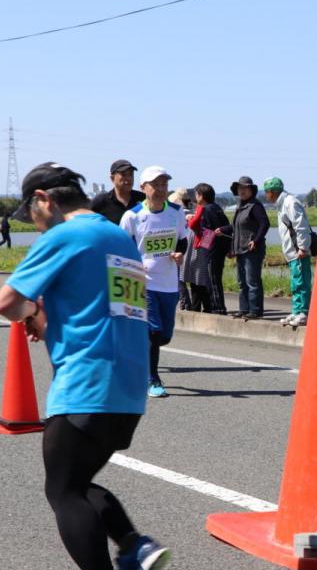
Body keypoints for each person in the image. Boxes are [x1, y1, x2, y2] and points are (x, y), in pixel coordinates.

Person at [0, 162, 170, 570]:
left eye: (31, 211)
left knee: (63, 489)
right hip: (128, 384)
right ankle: (132, 547)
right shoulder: (115, 236)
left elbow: (6, 302)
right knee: (80, 477)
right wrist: (49, 320)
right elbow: (109, 308)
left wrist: (31, 312)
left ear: (45, 200)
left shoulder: (63, 237)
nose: (34, 222)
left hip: (86, 382)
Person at [120, 166, 188, 398]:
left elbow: (183, 239)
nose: (160, 189)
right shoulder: (132, 216)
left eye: (164, 184)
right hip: (144, 283)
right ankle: (153, 380)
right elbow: (122, 249)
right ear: (143, 188)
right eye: (155, 185)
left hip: (169, 283)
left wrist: (179, 254)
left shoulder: (176, 212)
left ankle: (138, 349)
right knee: (154, 333)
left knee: (164, 336)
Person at [264, 177, 312, 327]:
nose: (266, 195)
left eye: (266, 192)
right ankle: (297, 311)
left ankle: (304, 312)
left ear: (272, 192)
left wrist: (303, 247)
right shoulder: (282, 204)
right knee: (295, 283)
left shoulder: (290, 202)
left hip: (299, 251)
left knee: (301, 282)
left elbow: (301, 225)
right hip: (292, 252)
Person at [229, 175, 269, 319]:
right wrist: (232, 248)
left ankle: (255, 311)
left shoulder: (255, 206)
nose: (242, 191)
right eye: (240, 188)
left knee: (252, 281)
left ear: (251, 190)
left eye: (245, 188)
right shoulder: (241, 206)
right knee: (242, 282)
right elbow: (235, 228)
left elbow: (265, 224)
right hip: (240, 249)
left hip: (252, 249)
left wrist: (256, 241)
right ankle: (244, 309)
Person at [195, 183, 231, 314]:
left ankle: (218, 308)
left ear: (201, 196)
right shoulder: (216, 208)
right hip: (219, 250)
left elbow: (209, 232)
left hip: (212, 251)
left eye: (196, 194)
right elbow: (226, 228)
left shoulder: (207, 209)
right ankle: (218, 307)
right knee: (215, 279)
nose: (195, 197)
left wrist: (204, 250)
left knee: (213, 281)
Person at [90, 159, 145, 224]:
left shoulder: (143, 199)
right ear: (112, 178)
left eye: (131, 174)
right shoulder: (101, 201)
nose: (128, 178)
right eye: (124, 174)